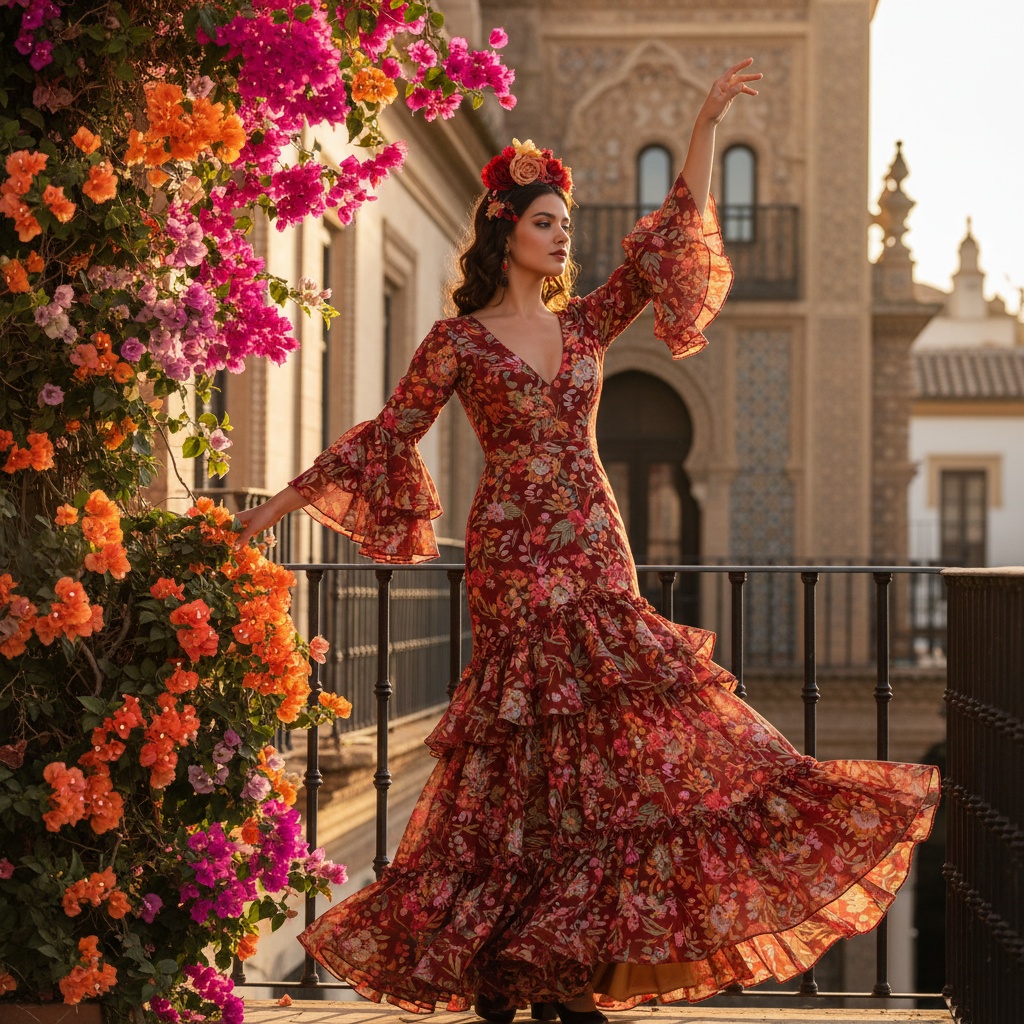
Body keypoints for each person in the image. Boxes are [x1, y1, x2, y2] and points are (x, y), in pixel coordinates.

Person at [234, 59, 939, 1020]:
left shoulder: (586, 328)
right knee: (524, 754)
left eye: (567, 225)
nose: (562, 239)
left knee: (608, 750)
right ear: (504, 230)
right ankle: (510, 962)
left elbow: (663, 245)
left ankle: (565, 965)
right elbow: (386, 435)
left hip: (596, 548)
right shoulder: (458, 341)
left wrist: (703, 124)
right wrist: (277, 507)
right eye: (545, 223)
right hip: (513, 557)